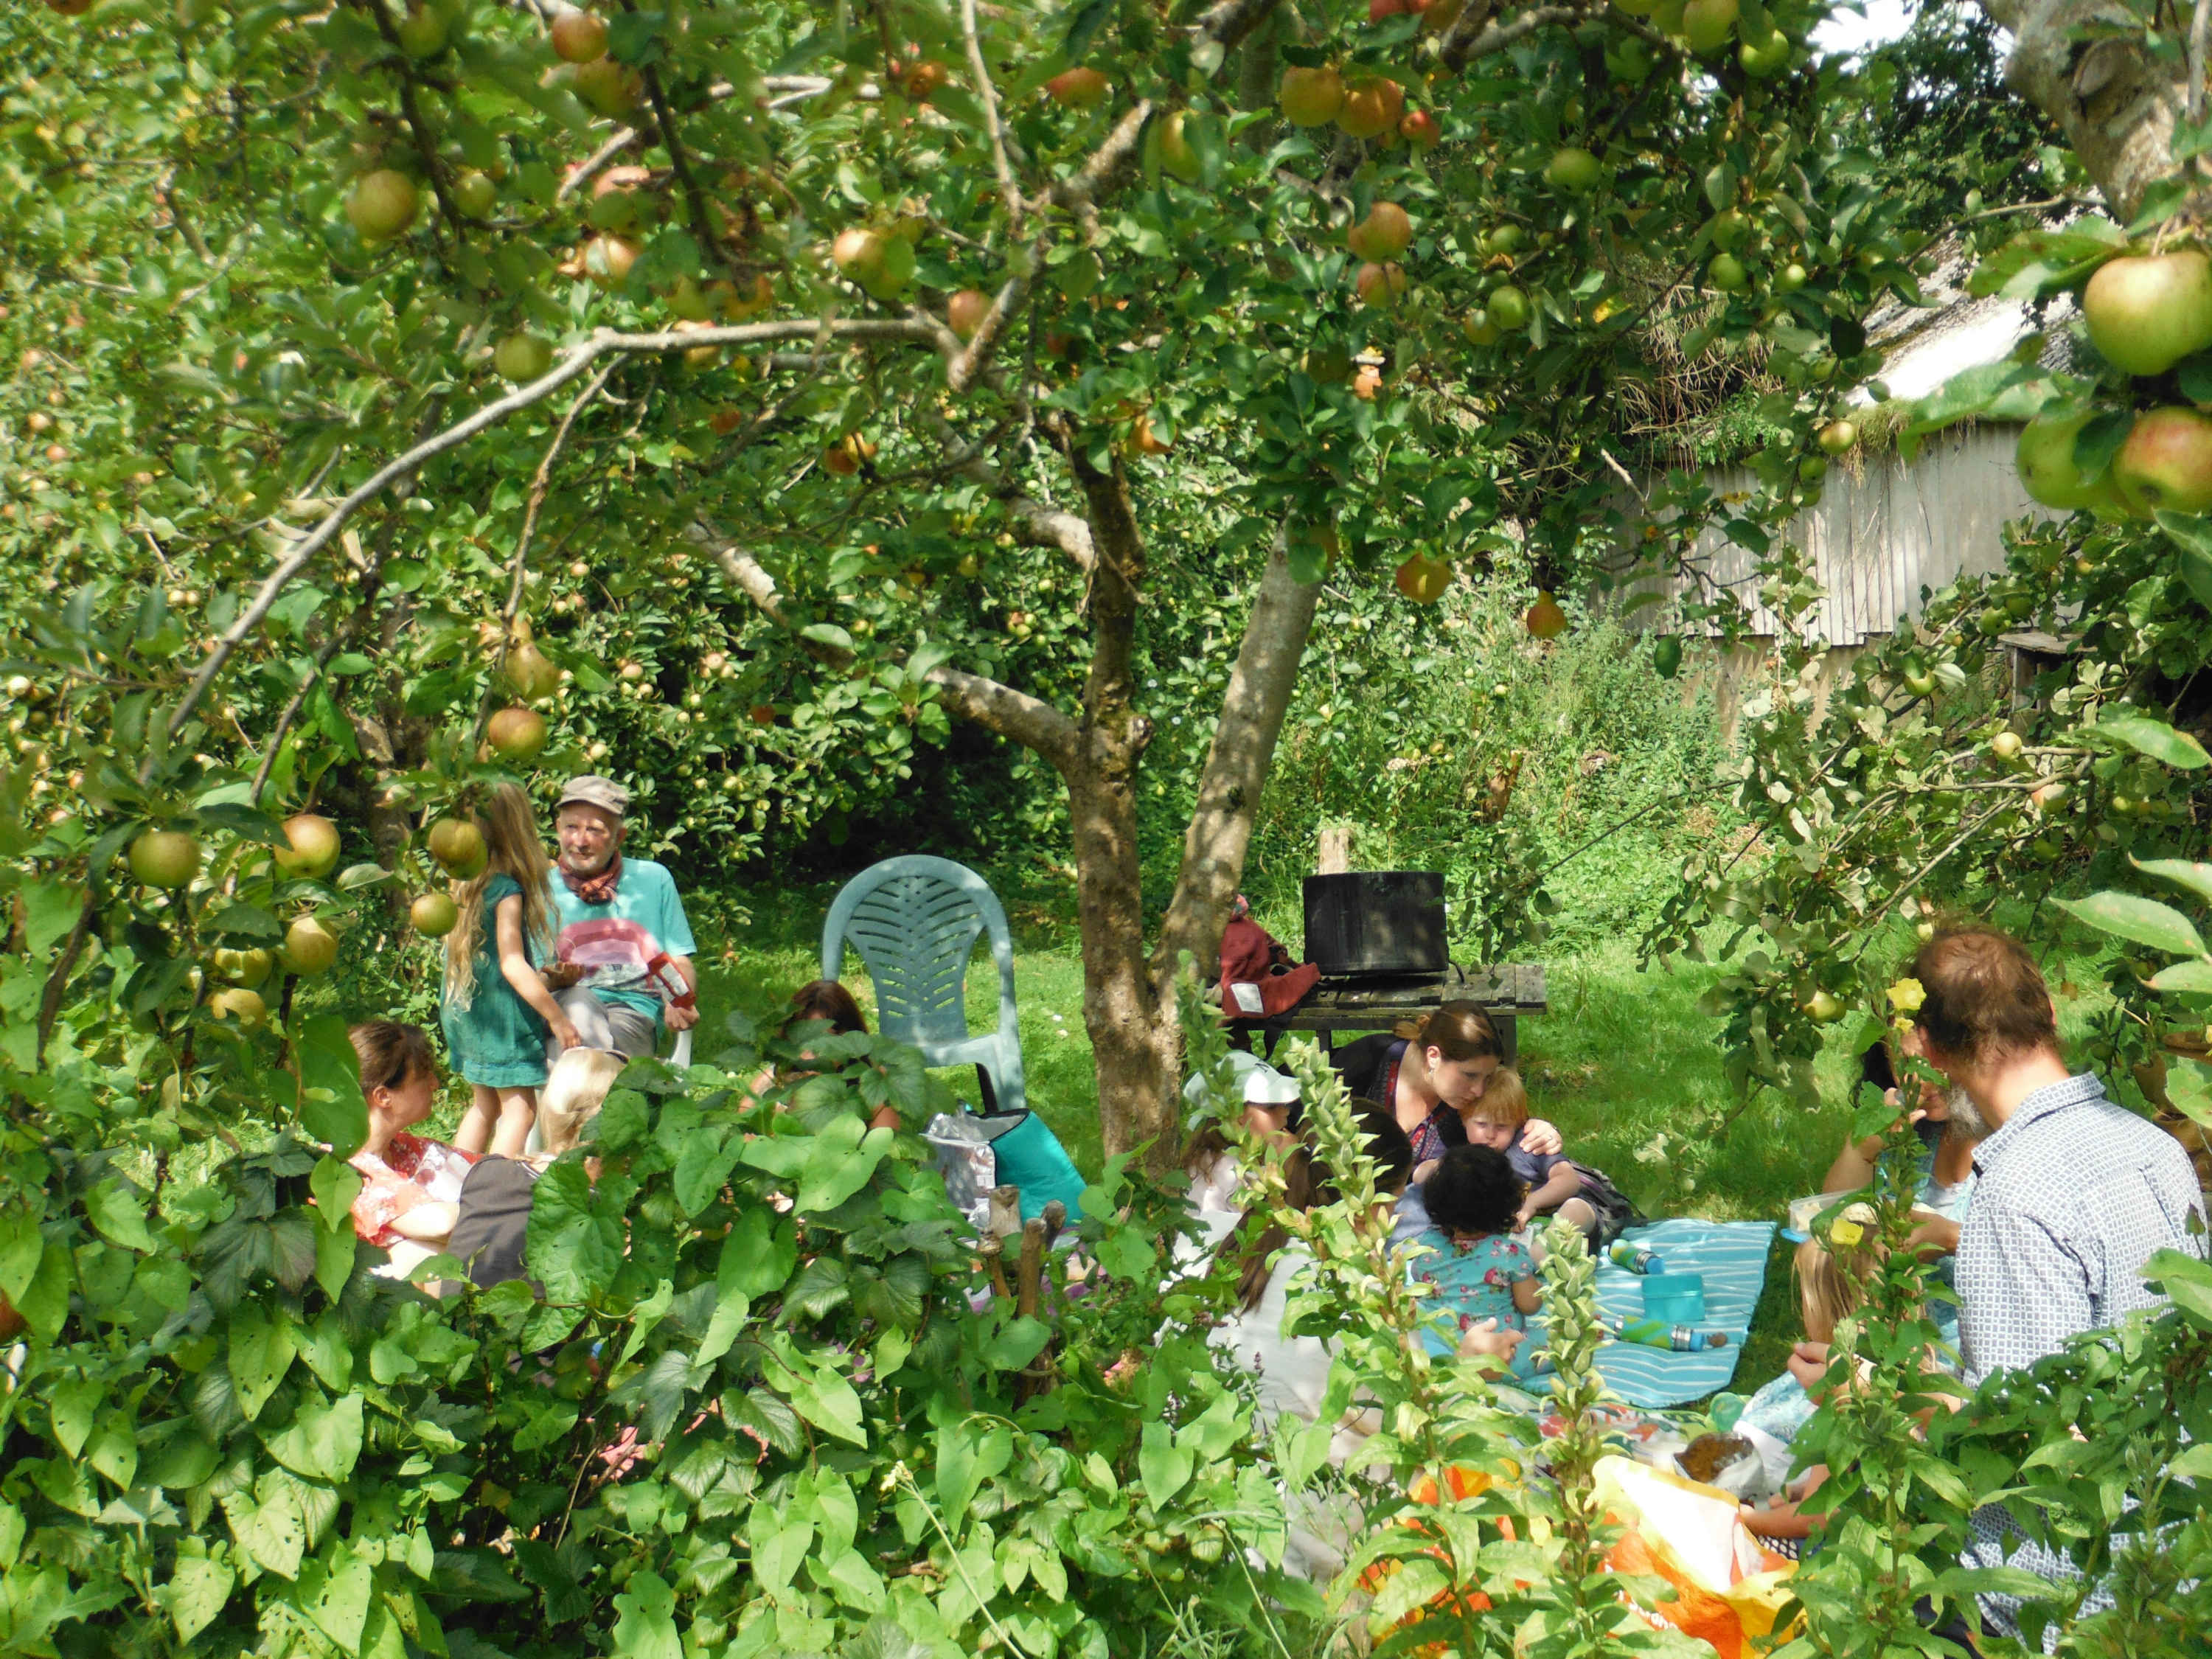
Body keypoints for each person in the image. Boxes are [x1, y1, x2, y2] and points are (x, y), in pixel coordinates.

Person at [1903, 926, 2203, 1640]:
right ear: (2051, 1016)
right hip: (2180, 1549)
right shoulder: (2154, 1146)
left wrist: (1902, 1396)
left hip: (2068, 1590)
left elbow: (2032, 1438)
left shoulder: (2015, 1195)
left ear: (1931, 1050)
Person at [442, 785, 576, 1159]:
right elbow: (512, 964)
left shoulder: (465, 885)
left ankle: (455, 1182)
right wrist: (558, 1017)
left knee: (484, 1107)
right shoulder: (505, 890)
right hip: (503, 1022)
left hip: (469, 1014)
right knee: (520, 1110)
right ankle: (494, 1192)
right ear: (519, 832)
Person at [1820, 1043, 1982, 1346]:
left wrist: (1950, 1239)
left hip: (1975, 1348)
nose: (1921, 1079)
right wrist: (1863, 1148)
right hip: (1894, 1338)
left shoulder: (2010, 1138)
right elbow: (1831, 1214)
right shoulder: (1913, 1131)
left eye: (1937, 1058)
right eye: (1906, 1062)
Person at [546, 774, 700, 1062]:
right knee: (579, 1004)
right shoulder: (540, 889)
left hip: (633, 1012)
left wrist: (680, 1002)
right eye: (571, 827)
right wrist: (554, 980)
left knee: (586, 1048)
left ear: (619, 837)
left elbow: (679, 960)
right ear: (557, 830)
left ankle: (577, 1094)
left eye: (595, 830)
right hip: (565, 1011)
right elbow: (529, 977)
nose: (580, 841)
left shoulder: (654, 880)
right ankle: (595, 1091)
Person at [1329, 1002, 1563, 1185]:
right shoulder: (1369, 1061)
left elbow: (1504, 1131)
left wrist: (1540, 1129)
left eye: (1487, 1077)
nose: (1479, 1090)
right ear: (1433, 1056)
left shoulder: (1471, 1097)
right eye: (1470, 1075)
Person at [341, 1021, 478, 1273]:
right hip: (369, 1303)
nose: (435, 1083)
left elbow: (481, 1167)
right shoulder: (346, 1168)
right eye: (424, 1076)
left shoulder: (402, 1148)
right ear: (383, 1097)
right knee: (424, 1256)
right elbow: (442, 1224)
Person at [1407, 1144, 1546, 1379]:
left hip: (1440, 1343)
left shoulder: (1427, 1244)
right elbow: (1531, 1305)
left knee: (1422, 1340)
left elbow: (1419, 1275)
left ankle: (1443, 1370)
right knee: (1549, 1346)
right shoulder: (1509, 1253)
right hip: (1495, 1348)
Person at [1457, 1067, 1635, 1247]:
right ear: (1464, 1120)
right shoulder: (1463, 1161)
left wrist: (1533, 1202)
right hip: (1523, 1233)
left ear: (1517, 1124)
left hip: (1569, 1218)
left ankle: (1539, 1256)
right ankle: (1534, 1257)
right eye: (1481, 1124)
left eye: (1501, 1126)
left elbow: (1568, 1180)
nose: (1490, 1134)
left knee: (1575, 1209)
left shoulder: (1528, 1146)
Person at [1180, 1051, 1302, 1257]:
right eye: (1271, 1106)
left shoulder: (1241, 1160)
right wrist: (1289, 1169)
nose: (1286, 1111)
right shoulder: (1224, 1173)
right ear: (1235, 1115)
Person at [749, 979, 897, 1133]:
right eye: (806, 1042)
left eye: (828, 1042)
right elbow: (746, 1119)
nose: (816, 1055)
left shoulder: (870, 1078)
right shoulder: (778, 1077)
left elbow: (887, 1136)